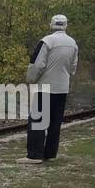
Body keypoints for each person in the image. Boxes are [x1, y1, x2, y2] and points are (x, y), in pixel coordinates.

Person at [26, 14, 78, 162]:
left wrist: (31, 79)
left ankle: (35, 154)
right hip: (62, 88)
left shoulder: (47, 41)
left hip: (45, 87)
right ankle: (50, 154)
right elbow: (73, 68)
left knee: (38, 121)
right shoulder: (73, 43)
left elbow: (37, 64)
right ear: (66, 25)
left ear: (51, 25)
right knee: (55, 122)